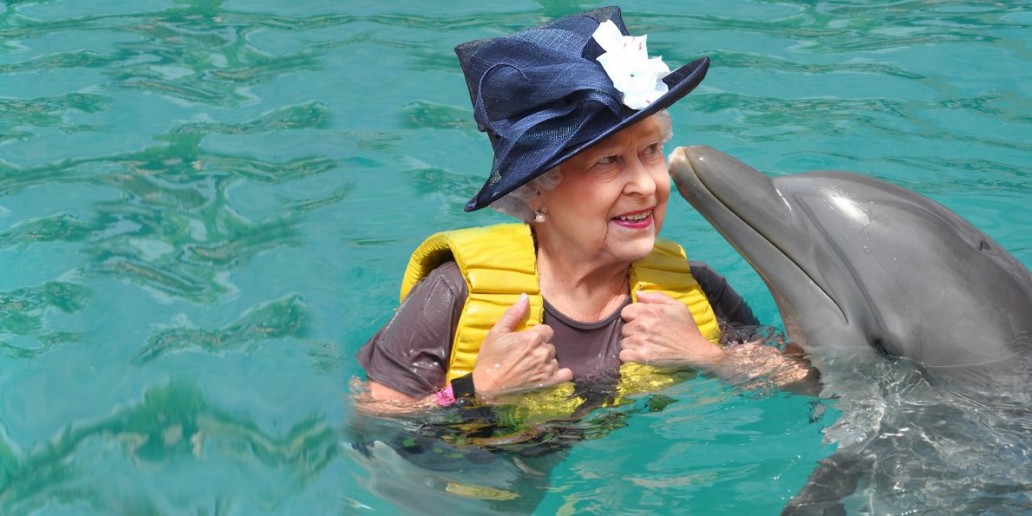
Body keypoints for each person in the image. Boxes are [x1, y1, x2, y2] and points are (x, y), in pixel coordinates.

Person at [354, 6, 814, 420]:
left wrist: (706, 356)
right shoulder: (455, 293)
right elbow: (370, 419)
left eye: (651, 151)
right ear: (536, 191)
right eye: (608, 161)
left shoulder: (695, 290)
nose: (646, 184)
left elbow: (804, 380)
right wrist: (479, 390)